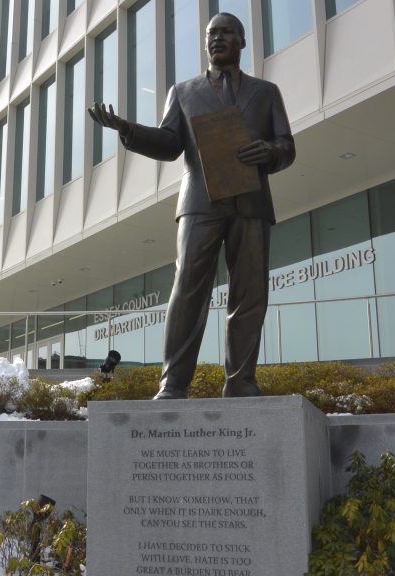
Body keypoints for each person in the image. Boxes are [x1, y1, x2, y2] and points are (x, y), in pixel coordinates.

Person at [89, 12, 296, 399]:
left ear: (242, 41)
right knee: (187, 290)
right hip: (200, 202)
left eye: (226, 33)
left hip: (250, 202)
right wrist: (128, 129)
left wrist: (270, 150)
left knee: (250, 293)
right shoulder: (183, 92)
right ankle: (173, 383)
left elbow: (287, 146)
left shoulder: (265, 92)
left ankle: (241, 381)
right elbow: (170, 144)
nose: (217, 39)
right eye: (211, 34)